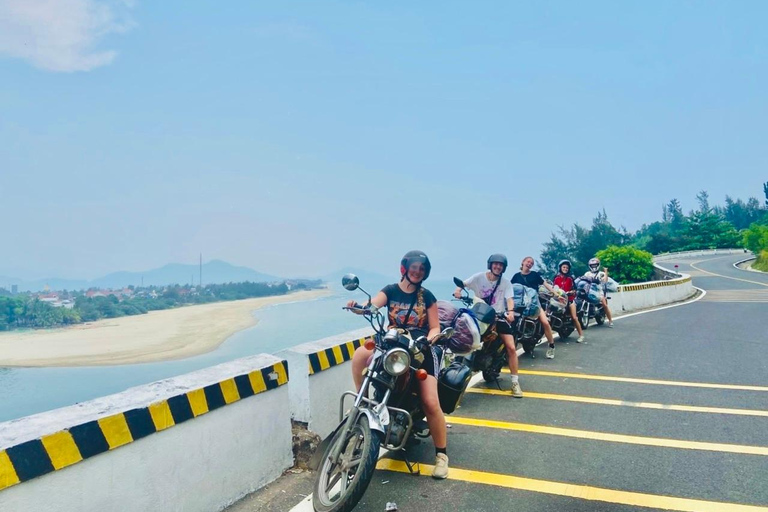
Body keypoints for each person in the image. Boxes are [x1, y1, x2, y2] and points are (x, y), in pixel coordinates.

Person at [348, 250, 449, 479]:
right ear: (405, 268)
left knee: (430, 402)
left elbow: (435, 326)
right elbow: (372, 305)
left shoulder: (428, 296)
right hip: (392, 344)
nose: (417, 271)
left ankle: (441, 455)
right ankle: (361, 398)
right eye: (414, 267)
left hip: (419, 349)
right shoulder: (390, 290)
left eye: (421, 269)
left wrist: (430, 339)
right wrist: (358, 307)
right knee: (359, 355)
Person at [453, 253, 523, 398]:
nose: (498, 267)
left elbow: (509, 299)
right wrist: (458, 291)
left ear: (503, 268)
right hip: (479, 315)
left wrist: (510, 312)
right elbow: (463, 284)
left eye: (501, 265)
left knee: (510, 347)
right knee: (461, 336)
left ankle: (515, 382)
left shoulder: (505, 283)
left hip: (498, 316)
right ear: (490, 265)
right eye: (495, 264)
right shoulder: (479, 277)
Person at [511, 256, 558, 359]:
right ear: (522, 262)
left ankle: (551, 346)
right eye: (528, 261)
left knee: (545, 322)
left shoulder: (534, 275)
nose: (529, 263)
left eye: (531, 263)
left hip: (534, 303)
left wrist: (555, 292)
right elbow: (510, 289)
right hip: (519, 304)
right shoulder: (516, 277)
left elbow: (545, 284)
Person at [552, 259, 585, 343]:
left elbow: (574, 289)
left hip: (569, 300)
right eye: (564, 267)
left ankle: (581, 335)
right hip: (558, 299)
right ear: (560, 268)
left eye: (567, 268)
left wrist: (571, 292)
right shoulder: (556, 277)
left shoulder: (570, 278)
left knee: (574, 317)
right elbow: (553, 287)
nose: (565, 269)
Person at [583, 257, 614, 327]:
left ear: (598, 265)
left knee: (604, 304)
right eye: (592, 265)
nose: (594, 267)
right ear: (590, 266)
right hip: (589, 291)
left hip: (598, 292)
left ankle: (610, 320)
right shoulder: (587, 274)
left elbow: (605, 280)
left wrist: (606, 272)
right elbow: (583, 280)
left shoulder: (601, 273)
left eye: (595, 265)